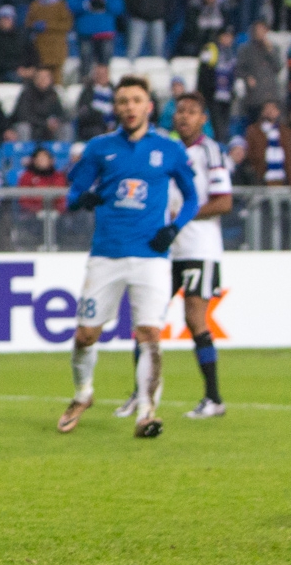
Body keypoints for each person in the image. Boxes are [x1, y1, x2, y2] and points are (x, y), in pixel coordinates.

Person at [57, 76, 197, 439]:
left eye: (136, 100)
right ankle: (82, 394)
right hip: (106, 254)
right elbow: (73, 192)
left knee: (150, 333)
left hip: (151, 257)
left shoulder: (168, 150)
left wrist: (174, 227)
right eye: (123, 101)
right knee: (86, 336)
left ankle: (147, 414)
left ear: (149, 106)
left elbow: (192, 197)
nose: (129, 107)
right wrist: (82, 199)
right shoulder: (100, 148)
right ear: (115, 107)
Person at [108, 92, 232, 423]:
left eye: (192, 112)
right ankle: (140, 392)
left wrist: (181, 218)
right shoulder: (168, 151)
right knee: (147, 320)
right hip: (165, 250)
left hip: (198, 249)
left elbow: (223, 202)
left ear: (203, 118)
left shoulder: (210, 151)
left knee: (195, 318)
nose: (184, 117)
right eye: (180, 111)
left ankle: (214, 398)